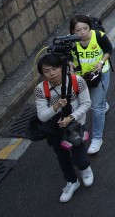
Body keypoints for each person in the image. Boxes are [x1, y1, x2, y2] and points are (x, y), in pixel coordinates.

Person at [34, 53, 93, 203]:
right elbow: (42, 116)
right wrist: (55, 107)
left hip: (76, 125)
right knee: (62, 157)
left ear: (61, 67)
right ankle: (72, 181)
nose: (51, 73)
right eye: (47, 71)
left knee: (79, 155)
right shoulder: (41, 90)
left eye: (55, 68)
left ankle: (85, 168)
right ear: (42, 73)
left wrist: (70, 118)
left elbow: (86, 103)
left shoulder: (77, 81)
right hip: (56, 130)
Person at [69, 14, 112, 155]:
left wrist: (100, 62)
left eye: (85, 28)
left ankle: (97, 138)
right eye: (78, 30)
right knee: (85, 104)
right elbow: (68, 56)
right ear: (72, 31)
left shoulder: (98, 36)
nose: (82, 33)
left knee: (96, 108)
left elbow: (108, 50)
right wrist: (69, 63)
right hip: (81, 78)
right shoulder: (70, 41)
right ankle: (102, 102)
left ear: (90, 27)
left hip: (99, 75)